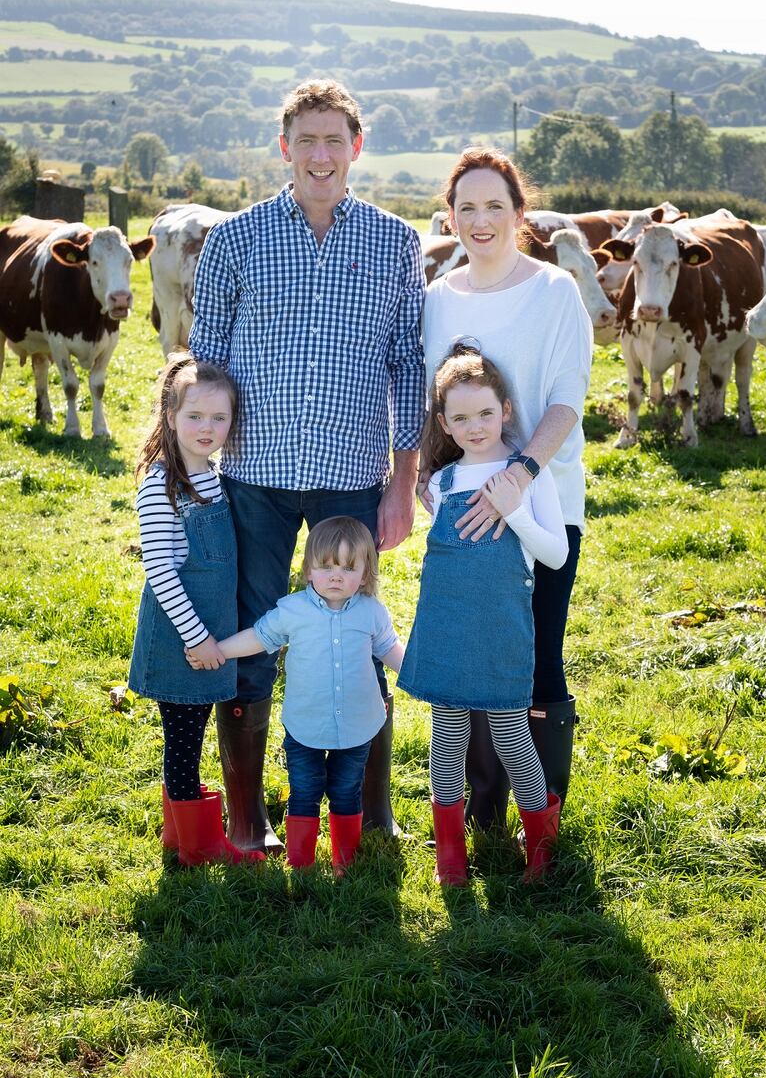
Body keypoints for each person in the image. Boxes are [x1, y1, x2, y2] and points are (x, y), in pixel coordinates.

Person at [188, 79, 425, 853]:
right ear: (283, 147)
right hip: (253, 473)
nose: (321, 155)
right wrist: (191, 462)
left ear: (357, 148)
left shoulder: (393, 241)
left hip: (352, 471)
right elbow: (207, 359)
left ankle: (373, 808)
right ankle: (249, 814)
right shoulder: (235, 239)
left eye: (335, 141)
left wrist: (402, 482)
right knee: (254, 632)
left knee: (358, 631)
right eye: (306, 140)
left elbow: (408, 365)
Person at [420, 148, 593, 827]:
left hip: (542, 501)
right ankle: (482, 812)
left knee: (534, 653)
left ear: (521, 214)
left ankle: (543, 816)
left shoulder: (554, 291)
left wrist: (521, 476)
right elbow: (436, 403)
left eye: (496, 205)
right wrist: (434, 484)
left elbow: (565, 398)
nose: (481, 219)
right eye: (467, 207)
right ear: (451, 216)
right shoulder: (437, 300)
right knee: (470, 657)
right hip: (466, 517)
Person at [398, 347, 567, 884]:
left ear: (507, 411)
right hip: (447, 619)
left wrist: (515, 512)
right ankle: (450, 850)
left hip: (501, 624)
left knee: (511, 733)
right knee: (446, 737)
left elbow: (555, 555)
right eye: (462, 418)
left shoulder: (527, 476)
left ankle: (541, 842)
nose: (475, 427)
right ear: (444, 424)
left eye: (486, 414)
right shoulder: (442, 483)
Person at [188, 517, 404, 875]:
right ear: (308, 571)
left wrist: (423, 675)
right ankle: (301, 862)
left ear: (366, 575)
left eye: (349, 568)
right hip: (305, 724)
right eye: (326, 566)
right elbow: (259, 637)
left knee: (348, 789)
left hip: (357, 724)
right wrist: (219, 650)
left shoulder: (371, 613)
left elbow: (391, 651)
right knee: (304, 789)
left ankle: (344, 862)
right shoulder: (293, 610)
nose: (336, 576)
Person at [127, 355, 265, 867]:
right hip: (183, 642)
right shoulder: (160, 486)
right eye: (195, 417)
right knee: (184, 739)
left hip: (208, 638)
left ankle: (180, 836)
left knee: (191, 733)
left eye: (220, 418)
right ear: (169, 415)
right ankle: (198, 847)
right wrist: (196, 638)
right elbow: (161, 572)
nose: (207, 429)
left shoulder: (214, 475)